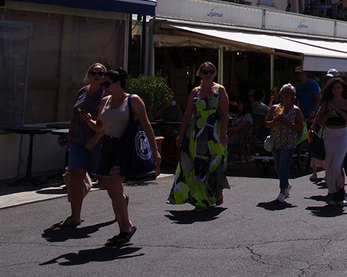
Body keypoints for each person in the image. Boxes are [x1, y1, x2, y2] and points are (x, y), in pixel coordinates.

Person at [82, 67, 161, 246]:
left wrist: (155, 151)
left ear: (118, 83)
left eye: (107, 84)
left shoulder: (133, 100)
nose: (104, 87)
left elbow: (146, 126)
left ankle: (125, 228)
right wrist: (89, 121)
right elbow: (100, 127)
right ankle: (124, 226)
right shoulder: (104, 102)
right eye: (102, 84)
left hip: (124, 146)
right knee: (112, 190)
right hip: (108, 146)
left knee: (115, 186)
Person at [168, 62, 230, 209]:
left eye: (211, 71)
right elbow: (187, 114)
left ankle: (217, 190)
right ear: (200, 74)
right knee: (197, 165)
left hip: (214, 133)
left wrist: (223, 133)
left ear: (214, 73)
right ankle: (201, 199)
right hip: (197, 133)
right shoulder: (195, 92)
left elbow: (224, 113)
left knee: (214, 164)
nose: (208, 74)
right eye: (205, 71)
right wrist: (181, 134)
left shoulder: (220, 90)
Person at [57, 63, 108, 228]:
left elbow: (108, 122)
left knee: (103, 178)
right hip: (78, 141)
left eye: (101, 73)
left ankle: (121, 199)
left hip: (96, 142)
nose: (97, 75)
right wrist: (70, 138)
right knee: (75, 178)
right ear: (89, 74)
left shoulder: (106, 95)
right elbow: (74, 117)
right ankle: (75, 216)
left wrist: (96, 137)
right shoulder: (82, 92)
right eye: (94, 72)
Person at [314, 77, 347, 206]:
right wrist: (328, 115)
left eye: (339, 87)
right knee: (330, 165)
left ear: (343, 88)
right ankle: (333, 192)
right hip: (329, 134)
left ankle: (341, 191)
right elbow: (318, 121)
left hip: (342, 134)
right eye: (334, 88)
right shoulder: (326, 103)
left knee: (338, 164)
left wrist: (339, 112)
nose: (336, 90)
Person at [265, 84, 304, 202]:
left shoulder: (296, 110)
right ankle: (286, 183)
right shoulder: (275, 108)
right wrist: (274, 121)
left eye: (289, 93)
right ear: (280, 94)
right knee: (277, 165)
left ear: (293, 96)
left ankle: (282, 191)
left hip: (289, 142)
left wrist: (289, 124)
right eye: (285, 93)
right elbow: (266, 124)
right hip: (276, 140)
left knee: (284, 165)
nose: (287, 95)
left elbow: (300, 127)